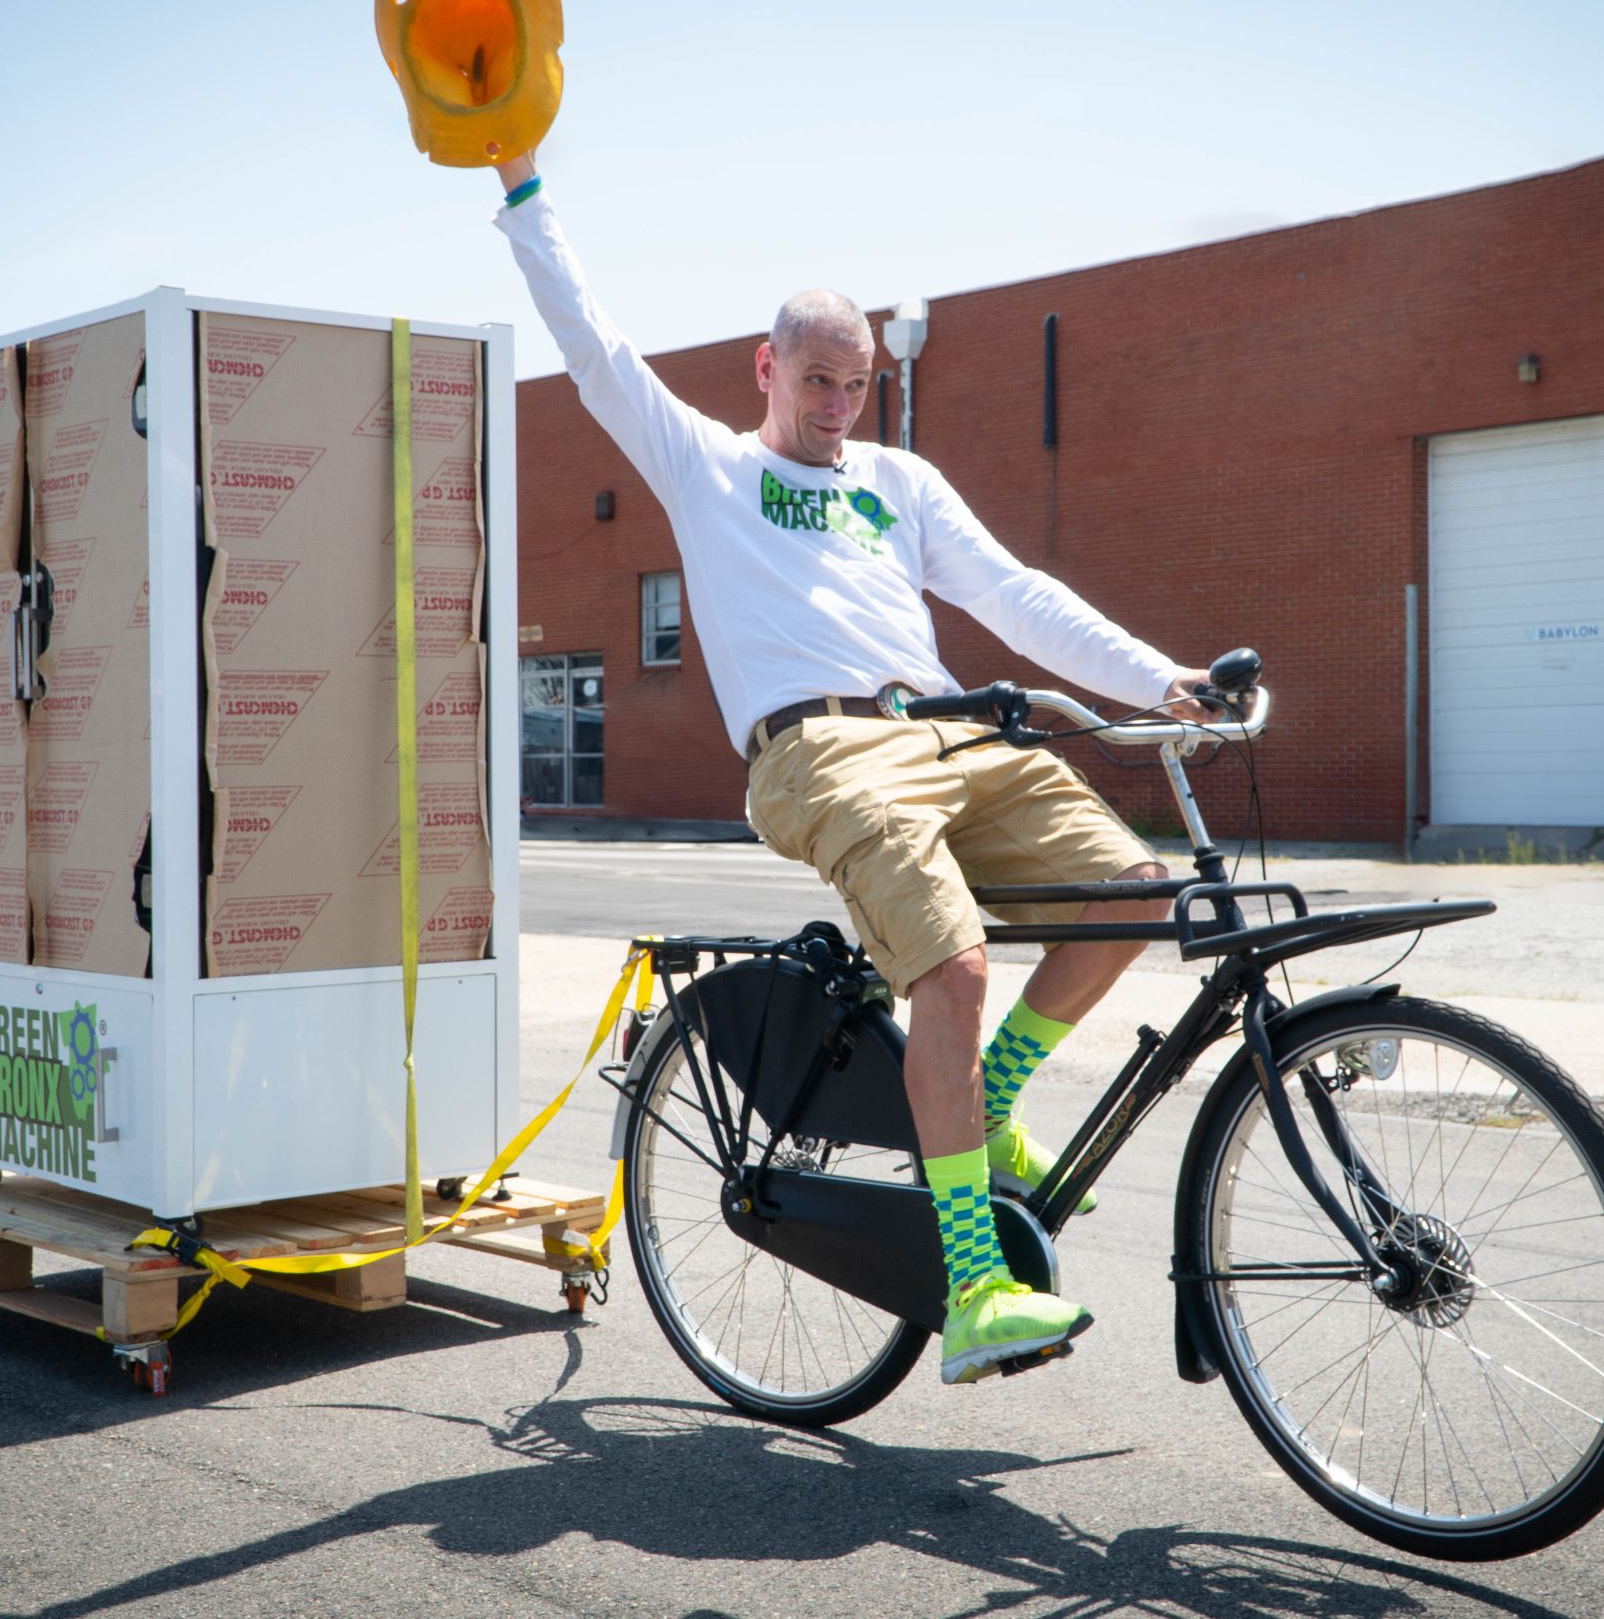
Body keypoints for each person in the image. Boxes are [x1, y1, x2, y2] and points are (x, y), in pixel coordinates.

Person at [490, 151, 1212, 1385]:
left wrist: (1162, 680)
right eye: (816, 379)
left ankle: (986, 1103)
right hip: (818, 751)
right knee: (957, 963)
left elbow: (1014, 594)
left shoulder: (899, 482)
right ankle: (976, 1290)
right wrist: (521, 188)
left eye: (856, 385)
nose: (837, 404)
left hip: (953, 730)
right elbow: (598, 349)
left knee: (1139, 892)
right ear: (767, 370)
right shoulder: (712, 468)